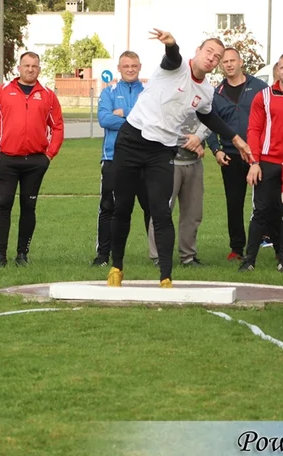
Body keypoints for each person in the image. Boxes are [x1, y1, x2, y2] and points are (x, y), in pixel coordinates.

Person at [107, 30, 253, 288]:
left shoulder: (207, 92)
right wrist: (172, 44)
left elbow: (209, 117)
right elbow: (172, 56)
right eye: (209, 52)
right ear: (197, 51)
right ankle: (116, 268)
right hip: (132, 139)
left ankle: (165, 277)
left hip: (162, 149)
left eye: (217, 57)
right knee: (123, 207)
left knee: (161, 211)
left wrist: (237, 139)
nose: (212, 58)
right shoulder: (174, 67)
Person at [0, 52, 65, 266]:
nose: (30, 69)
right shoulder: (3, 92)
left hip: (35, 161)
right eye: (26, 65)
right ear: (19, 68)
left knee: (28, 206)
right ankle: (0, 255)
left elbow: (58, 126)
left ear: (39, 69)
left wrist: (49, 154)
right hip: (6, 159)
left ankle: (22, 254)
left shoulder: (48, 95)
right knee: (3, 204)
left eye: (34, 66)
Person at [241, 53, 283, 273]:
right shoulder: (263, 96)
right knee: (261, 211)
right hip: (267, 162)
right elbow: (254, 129)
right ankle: (249, 259)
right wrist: (254, 162)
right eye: (282, 67)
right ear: (277, 70)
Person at [207, 49, 268, 261]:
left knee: (265, 202)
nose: (229, 65)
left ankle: (274, 243)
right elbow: (208, 124)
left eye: (233, 60)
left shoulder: (260, 88)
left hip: (257, 155)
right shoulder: (217, 93)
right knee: (234, 203)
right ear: (221, 65)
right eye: (225, 62)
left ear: (241, 62)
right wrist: (216, 149)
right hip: (231, 156)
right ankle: (237, 248)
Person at [93, 51, 147, 266]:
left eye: (134, 65)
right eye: (126, 66)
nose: (130, 69)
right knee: (109, 207)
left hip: (144, 158)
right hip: (113, 158)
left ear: (140, 66)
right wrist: (136, 120)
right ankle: (103, 255)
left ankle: (156, 256)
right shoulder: (109, 92)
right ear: (119, 68)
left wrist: (123, 114)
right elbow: (104, 119)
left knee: (151, 207)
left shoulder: (148, 92)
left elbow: (152, 119)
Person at [147, 113, 209, 267]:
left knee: (193, 213)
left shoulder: (203, 94)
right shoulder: (169, 93)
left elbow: (211, 120)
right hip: (168, 162)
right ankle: (158, 257)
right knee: (162, 211)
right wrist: (193, 142)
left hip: (194, 162)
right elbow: (160, 125)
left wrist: (199, 138)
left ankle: (188, 257)